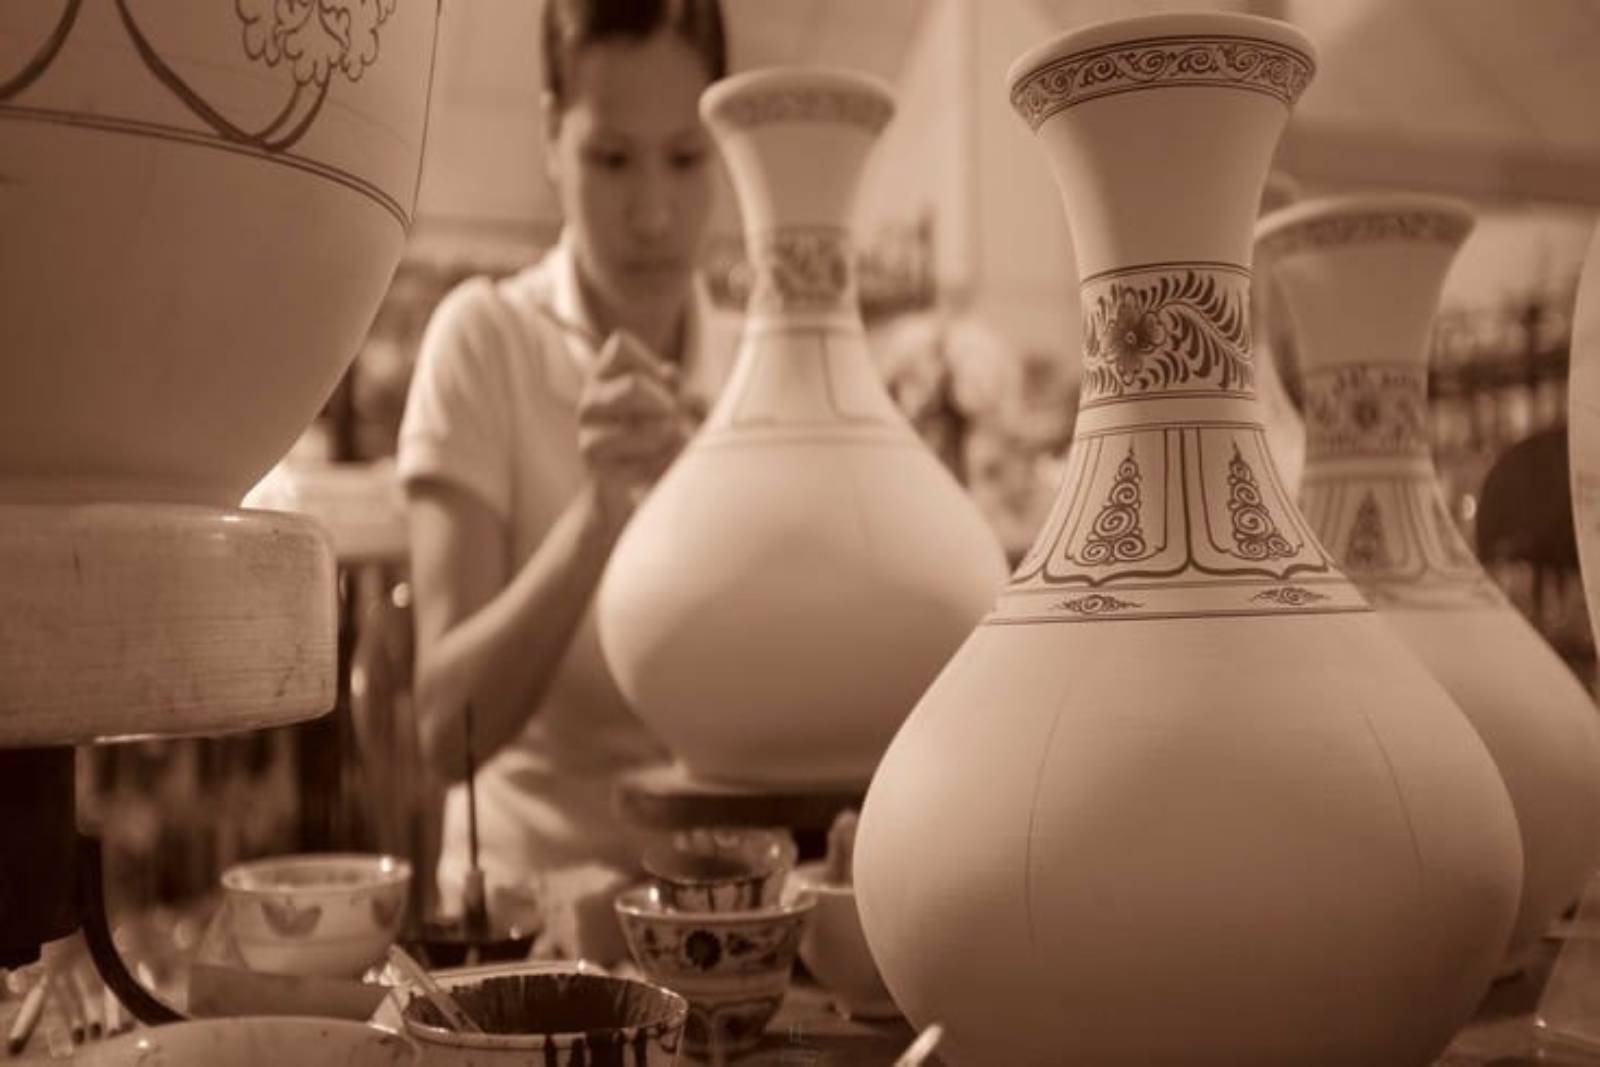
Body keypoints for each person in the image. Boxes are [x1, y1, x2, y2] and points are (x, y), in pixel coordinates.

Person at [396, 0, 739, 963]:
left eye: (684, 158)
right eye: (610, 158)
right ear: (551, 136)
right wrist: (599, 514)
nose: (654, 213)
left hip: (721, 906)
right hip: (522, 926)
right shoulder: (486, 343)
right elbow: (440, 725)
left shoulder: (757, 368)